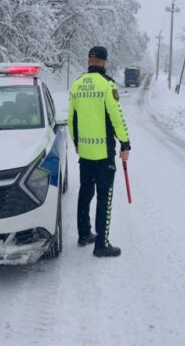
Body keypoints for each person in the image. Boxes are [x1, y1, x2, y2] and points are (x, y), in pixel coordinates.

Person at [67, 46, 131, 257]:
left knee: (85, 192)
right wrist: (125, 143)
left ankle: (84, 233)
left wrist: (77, 142)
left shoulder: (76, 85)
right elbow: (117, 117)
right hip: (104, 154)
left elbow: (71, 120)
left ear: (88, 61)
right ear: (104, 62)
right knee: (104, 196)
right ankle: (101, 245)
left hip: (84, 152)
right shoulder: (107, 85)